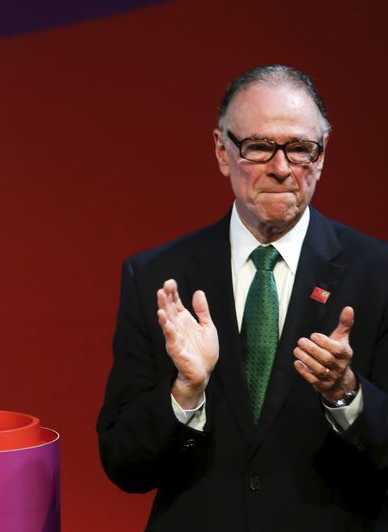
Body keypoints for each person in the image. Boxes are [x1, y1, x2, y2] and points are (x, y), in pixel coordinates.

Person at [97, 65, 388, 531]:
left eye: (299, 149)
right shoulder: (156, 278)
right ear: (221, 150)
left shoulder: (379, 275)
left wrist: (346, 395)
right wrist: (185, 392)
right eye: (258, 147)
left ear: (322, 154)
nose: (280, 168)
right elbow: (123, 464)